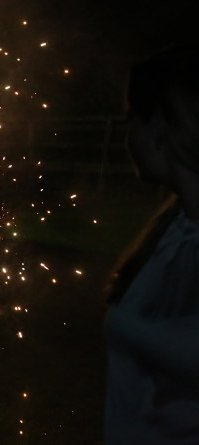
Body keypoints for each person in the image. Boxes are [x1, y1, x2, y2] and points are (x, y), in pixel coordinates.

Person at [104, 45, 199, 443]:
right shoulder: (174, 231)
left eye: (132, 121)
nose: (129, 138)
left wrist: (128, 329)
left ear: (162, 126)